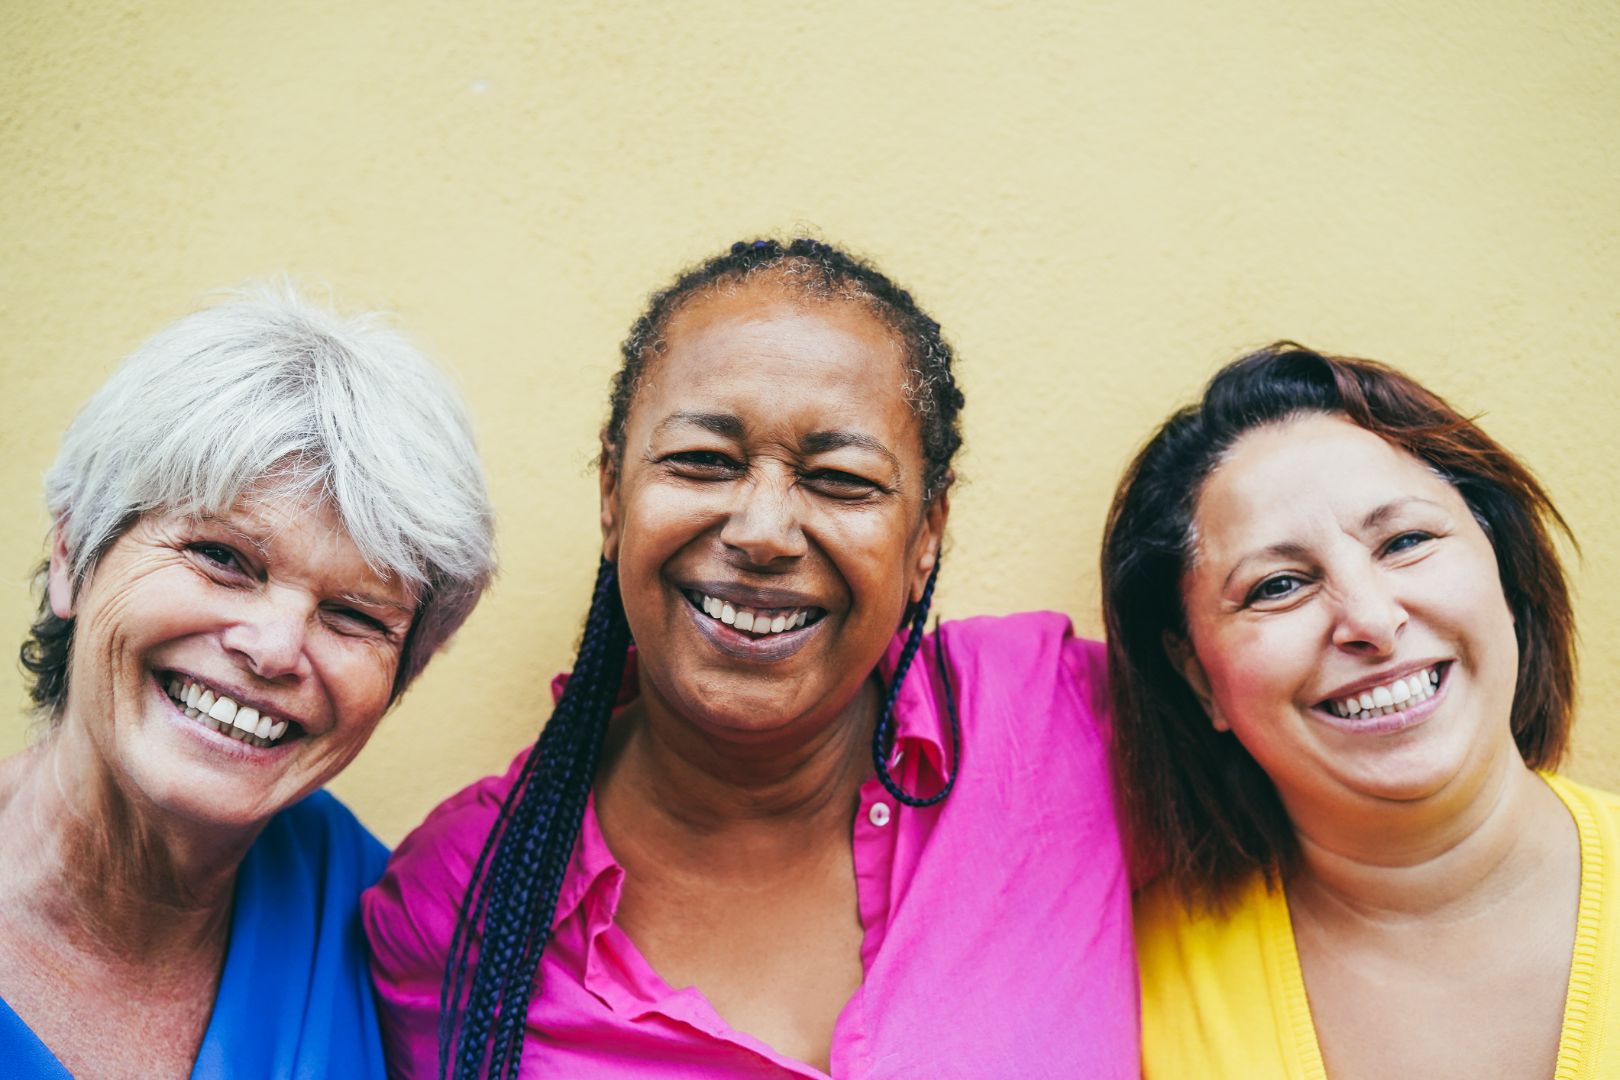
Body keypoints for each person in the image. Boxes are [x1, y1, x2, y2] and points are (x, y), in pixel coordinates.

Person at [364, 238, 1137, 1078]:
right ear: (611, 493)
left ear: (927, 536)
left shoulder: (1065, 720)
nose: (763, 532)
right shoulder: (459, 908)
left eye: (841, 479)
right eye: (704, 462)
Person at [0, 285, 496, 1079]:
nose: (273, 650)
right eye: (222, 558)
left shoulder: (396, 929)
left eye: (356, 616)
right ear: (71, 555)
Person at [1103, 343, 1617, 1079]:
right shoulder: (1124, 988)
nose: (1371, 620)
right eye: (1278, 586)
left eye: (1406, 542)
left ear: (1504, 570)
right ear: (1199, 679)